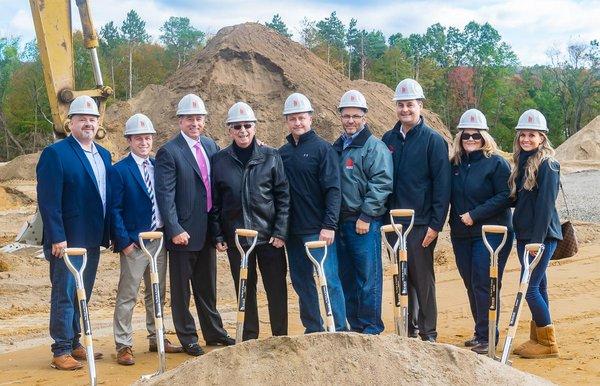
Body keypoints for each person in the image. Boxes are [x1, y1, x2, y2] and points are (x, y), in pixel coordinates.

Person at [155, 94, 234, 357]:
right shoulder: (169, 151)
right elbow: (165, 194)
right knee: (181, 291)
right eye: (190, 118)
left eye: (199, 118)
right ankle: (188, 336)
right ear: (180, 120)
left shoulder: (211, 146)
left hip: (207, 231)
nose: (195, 123)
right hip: (184, 233)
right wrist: (174, 228)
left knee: (207, 287)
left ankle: (213, 332)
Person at [36, 95, 111, 370]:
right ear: (71, 123)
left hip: (92, 238)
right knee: (64, 294)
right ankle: (60, 350)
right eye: (82, 119)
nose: (88, 124)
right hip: (66, 241)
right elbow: (48, 200)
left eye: (92, 119)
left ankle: (75, 341)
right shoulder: (56, 154)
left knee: (83, 294)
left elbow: (105, 196)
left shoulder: (104, 154)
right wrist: (57, 236)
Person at [210, 102, 290, 341]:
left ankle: (280, 337)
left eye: (247, 125)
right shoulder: (220, 160)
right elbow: (215, 202)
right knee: (245, 289)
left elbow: (283, 197)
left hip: (269, 238)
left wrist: (281, 231)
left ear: (254, 127)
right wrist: (218, 235)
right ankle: (250, 337)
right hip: (239, 239)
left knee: (276, 289)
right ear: (229, 130)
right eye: (237, 126)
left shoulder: (271, 156)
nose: (242, 131)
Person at [381, 78, 451, 342]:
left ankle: (428, 332)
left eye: (410, 104)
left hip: (421, 223)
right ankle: (407, 329)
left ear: (420, 105)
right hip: (394, 224)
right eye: (401, 105)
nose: (405, 110)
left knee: (422, 279)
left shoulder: (434, 141)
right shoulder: (388, 139)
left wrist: (436, 224)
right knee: (401, 276)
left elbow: (442, 186)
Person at [110, 113, 183, 366]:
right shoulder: (119, 171)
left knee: (157, 293)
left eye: (148, 137)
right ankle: (124, 345)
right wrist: (124, 244)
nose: (144, 142)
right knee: (127, 295)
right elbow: (115, 210)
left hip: (158, 241)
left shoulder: (157, 166)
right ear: (129, 140)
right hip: (134, 243)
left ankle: (157, 337)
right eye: (138, 138)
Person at [279, 92, 347, 332]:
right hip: (293, 232)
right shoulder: (282, 153)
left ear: (310, 118)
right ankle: (313, 328)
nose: (298, 122)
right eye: (292, 118)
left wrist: (329, 225)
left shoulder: (322, 149)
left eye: (301, 117)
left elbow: (333, 190)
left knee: (328, 280)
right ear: (287, 121)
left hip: (318, 231)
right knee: (301, 282)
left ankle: (338, 327)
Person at [448, 109, 514, 354]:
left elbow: (507, 196)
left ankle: (488, 336)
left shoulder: (496, 163)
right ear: (460, 137)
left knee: (484, 282)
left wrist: (475, 214)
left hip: (492, 233)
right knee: (470, 282)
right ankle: (480, 331)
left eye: (476, 136)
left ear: (485, 137)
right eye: (467, 136)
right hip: (461, 235)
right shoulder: (455, 164)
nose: (471, 140)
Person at [332, 90, 393, 334]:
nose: (350, 121)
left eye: (356, 116)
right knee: (346, 277)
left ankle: (371, 326)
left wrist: (367, 215)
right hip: (340, 223)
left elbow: (382, 183)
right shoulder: (337, 147)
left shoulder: (373, 147)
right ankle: (355, 326)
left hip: (363, 223)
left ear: (364, 117)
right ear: (340, 117)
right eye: (346, 116)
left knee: (368, 278)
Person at [509, 109, 562, 358]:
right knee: (539, 287)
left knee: (529, 288)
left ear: (542, 138)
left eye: (532, 135)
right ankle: (537, 338)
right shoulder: (522, 161)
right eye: (523, 135)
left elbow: (545, 206)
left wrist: (536, 241)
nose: (526, 139)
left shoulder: (548, 164)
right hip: (525, 236)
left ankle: (548, 343)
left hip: (540, 238)